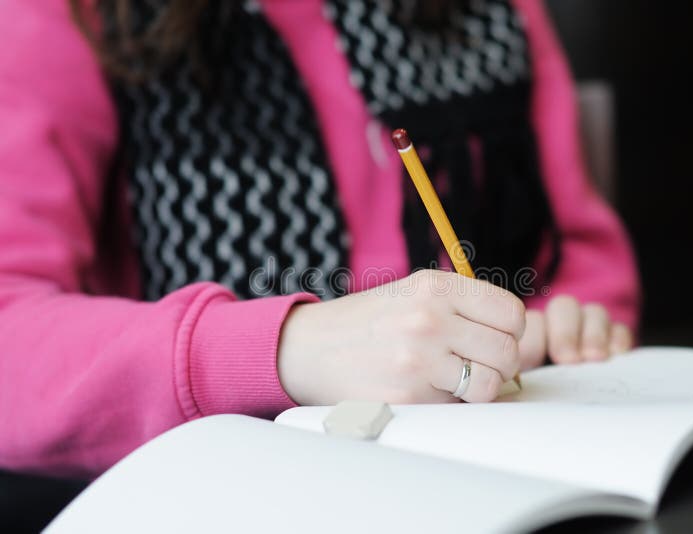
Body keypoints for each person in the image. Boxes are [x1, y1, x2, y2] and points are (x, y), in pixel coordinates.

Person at [0, 0, 639, 478]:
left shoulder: (494, 11)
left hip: (500, 469)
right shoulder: (72, 17)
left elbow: (579, 260)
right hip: (226, 488)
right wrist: (281, 350)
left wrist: (554, 330)